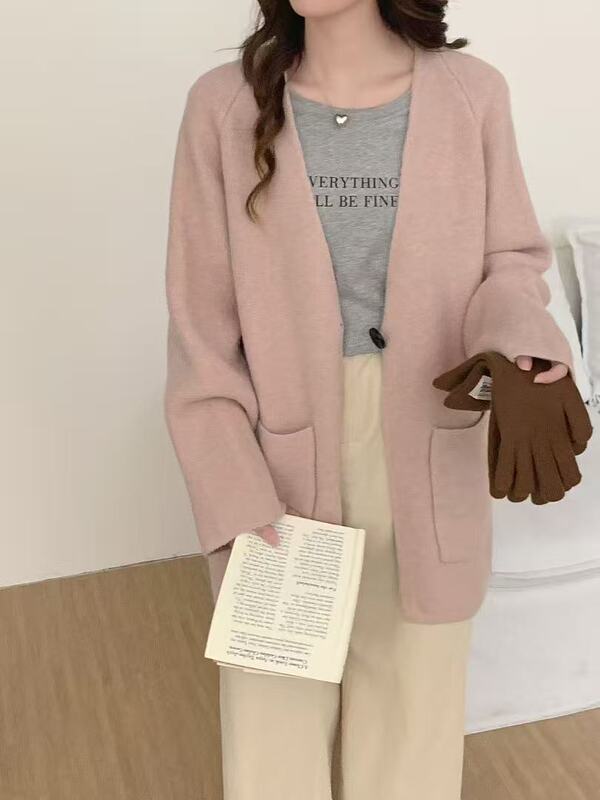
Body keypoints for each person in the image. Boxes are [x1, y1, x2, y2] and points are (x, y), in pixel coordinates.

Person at [163, 1, 573, 798]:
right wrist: (229, 480)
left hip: (426, 429)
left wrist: (521, 347)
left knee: (414, 695)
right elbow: (200, 329)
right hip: (276, 443)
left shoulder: (472, 94)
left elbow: (510, 261)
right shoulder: (224, 105)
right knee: (273, 697)